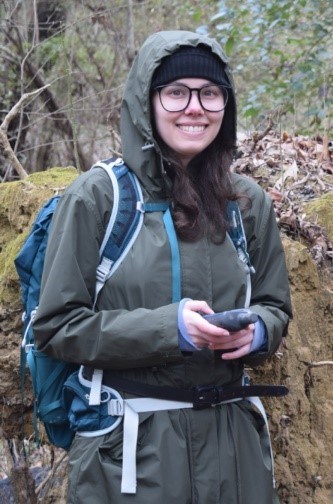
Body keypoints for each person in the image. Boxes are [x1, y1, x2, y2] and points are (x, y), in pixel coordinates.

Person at [33, 30, 292, 503]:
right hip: (130, 457)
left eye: (210, 93)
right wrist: (169, 329)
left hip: (234, 454)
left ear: (225, 106)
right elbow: (57, 327)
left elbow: (275, 305)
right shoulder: (98, 199)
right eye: (176, 92)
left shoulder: (247, 204)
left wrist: (254, 332)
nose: (194, 107)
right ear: (145, 103)